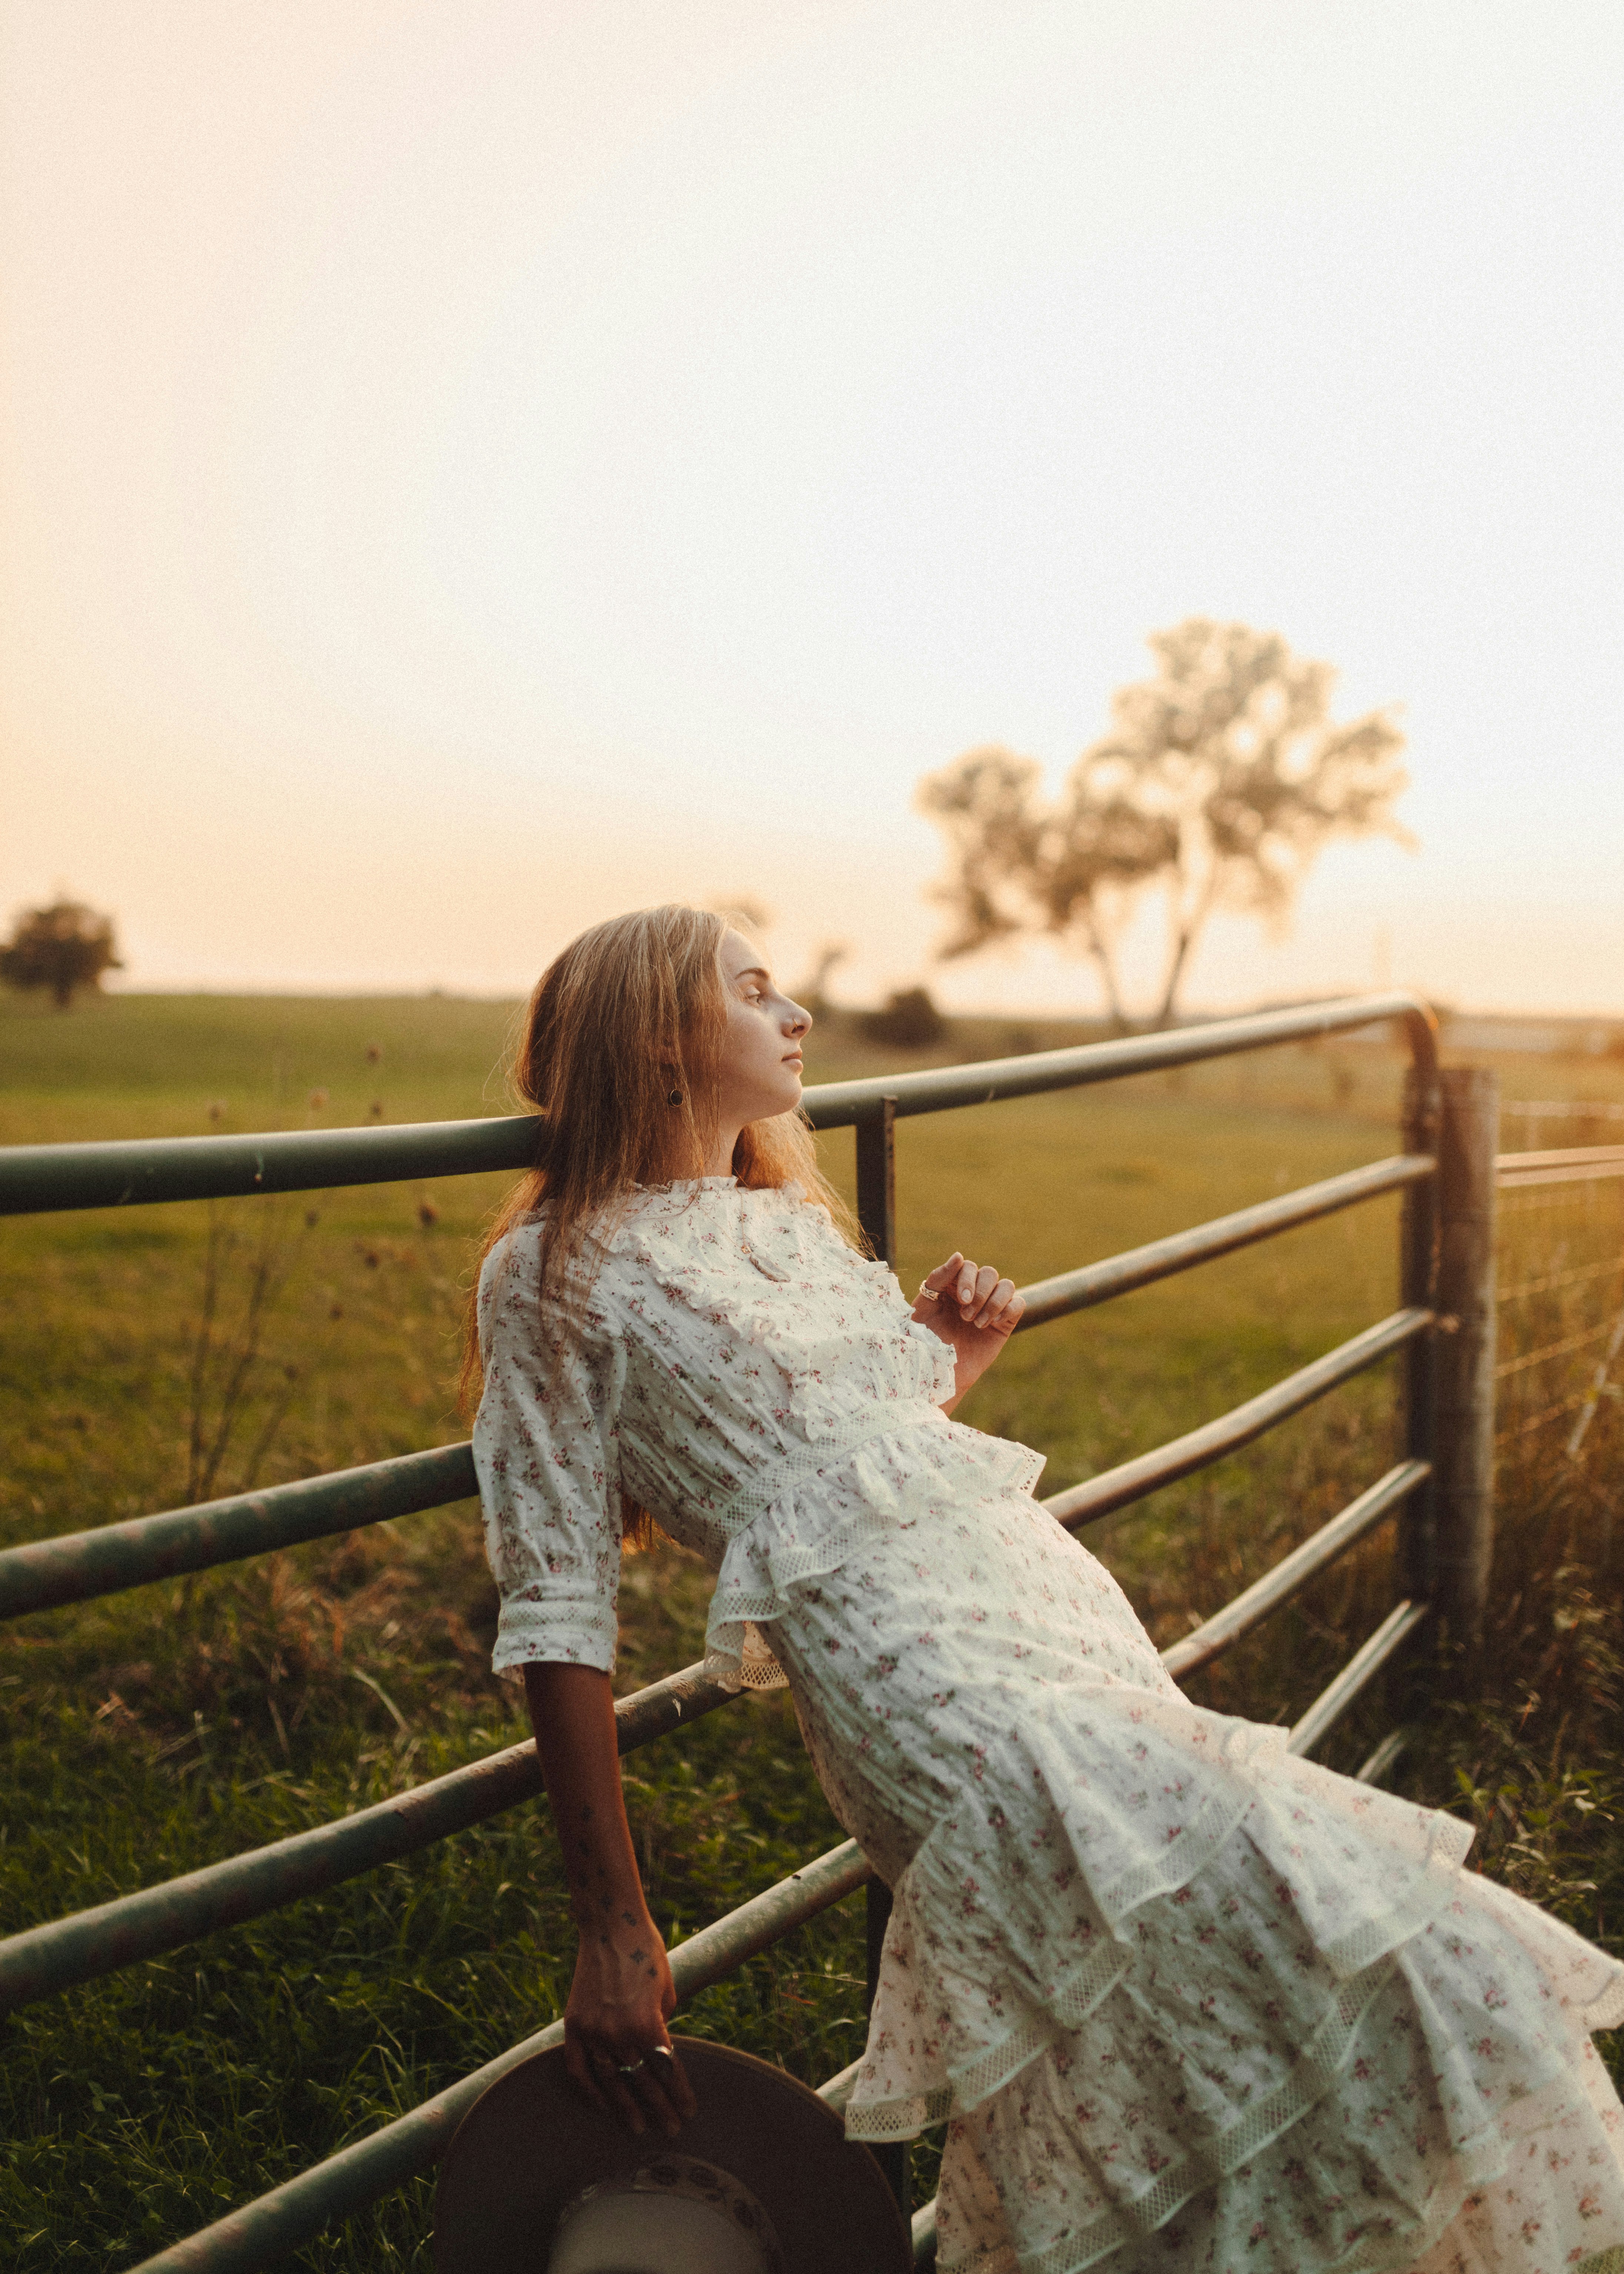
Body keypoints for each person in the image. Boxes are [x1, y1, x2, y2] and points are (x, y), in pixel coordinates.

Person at [466, 903, 1624, 2274]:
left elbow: (837, 1456)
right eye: (753, 989)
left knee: (1197, 2054)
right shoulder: (554, 1271)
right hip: (943, 1705)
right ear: (660, 1034)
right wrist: (614, 1920)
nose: (797, 1016)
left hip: (1061, 1625)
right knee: (1453, 1972)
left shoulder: (781, 1220)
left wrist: (940, 1362)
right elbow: (556, 1599)